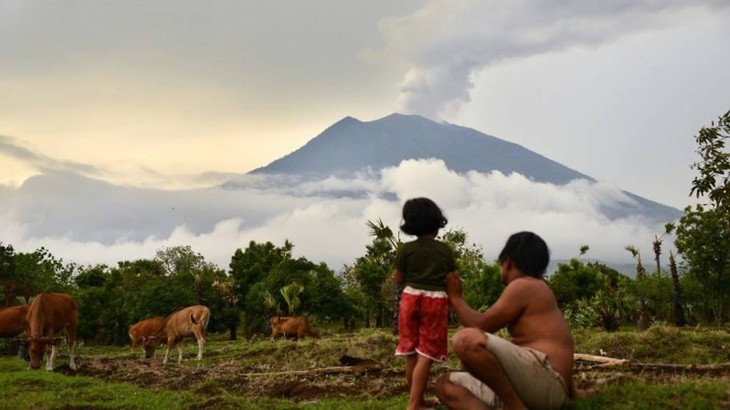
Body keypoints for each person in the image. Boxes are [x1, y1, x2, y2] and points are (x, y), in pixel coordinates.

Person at [435, 231, 576, 410]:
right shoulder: (539, 289)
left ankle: (515, 406)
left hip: (544, 383)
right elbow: (561, 346)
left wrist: (455, 297)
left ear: (507, 262)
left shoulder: (524, 285)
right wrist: (572, 391)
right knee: (446, 384)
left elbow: (481, 326)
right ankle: (510, 404)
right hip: (538, 387)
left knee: (466, 340)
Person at [393, 197, 456, 410]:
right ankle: (414, 405)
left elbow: (398, 278)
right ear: (436, 222)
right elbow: (451, 278)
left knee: (411, 354)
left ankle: (417, 401)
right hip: (435, 301)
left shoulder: (406, 250)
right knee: (426, 355)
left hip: (410, 299)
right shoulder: (444, 250)